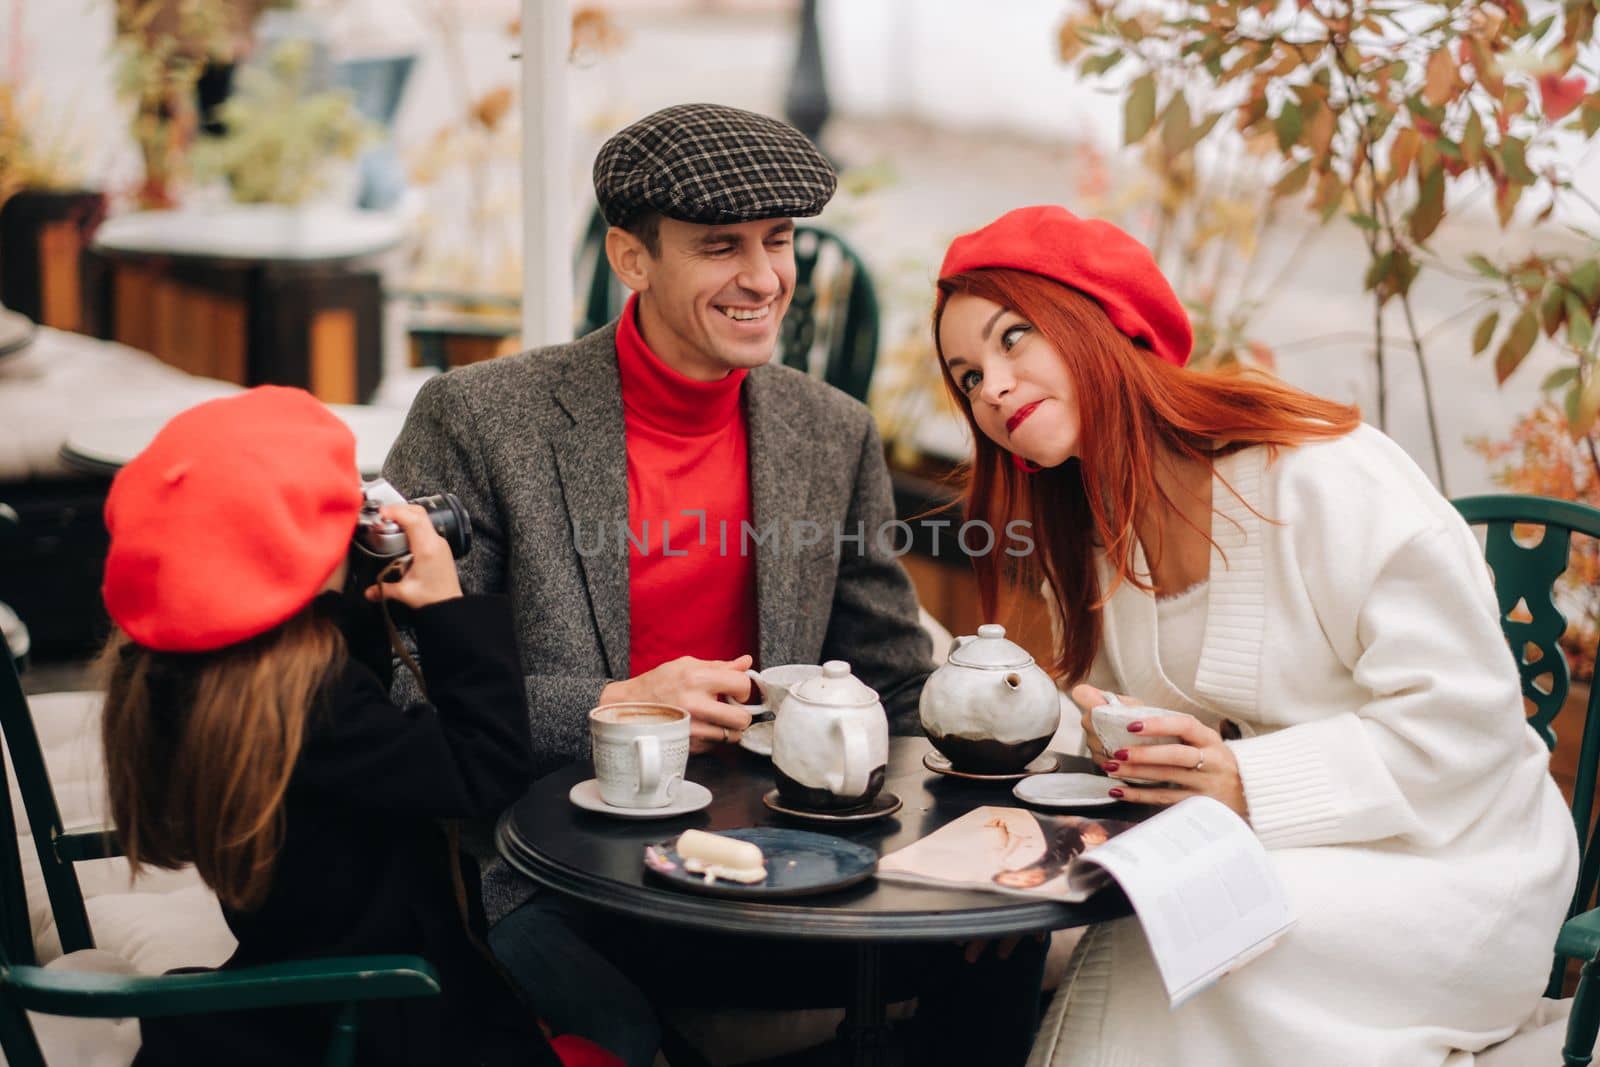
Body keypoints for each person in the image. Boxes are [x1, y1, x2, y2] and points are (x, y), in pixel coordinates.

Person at [383, 104, 1045, 1066]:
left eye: (779, 242)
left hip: (781, 871)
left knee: (1002, 949)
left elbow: (897, 682)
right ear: (632, 257)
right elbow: (405, 693)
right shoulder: (479, 419)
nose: (764, 278)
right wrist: (618, 703)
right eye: (720, 247)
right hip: (554, 871)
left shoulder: (830, 431)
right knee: (612, 1024)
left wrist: (987, 833)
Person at [930, 204, 1579, 1066]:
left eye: (1015, 339)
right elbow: (1142, 753)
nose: (994, 387)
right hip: (1264, 851)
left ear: (1106, 325)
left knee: (1188, 916)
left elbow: (1471, 727)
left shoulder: (1324, 475)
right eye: (968, 376)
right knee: (1137, 911)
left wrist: (1244, 780)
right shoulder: (1086, 543)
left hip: (1455, 863)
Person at [96, 387, 615, 1067]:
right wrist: (446, 610)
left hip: (304, 959)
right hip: (378, 1012)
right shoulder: (314, 698)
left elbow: (358, 747)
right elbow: (483, 770)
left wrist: (350, 601)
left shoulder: (187, 674)